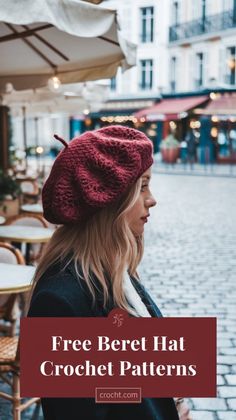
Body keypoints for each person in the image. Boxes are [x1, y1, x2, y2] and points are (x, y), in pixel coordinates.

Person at [28, 125, 191, 420]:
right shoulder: (58, 302)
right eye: (142, 186)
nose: (152, 199)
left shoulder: (115, 271)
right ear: (109, 201)